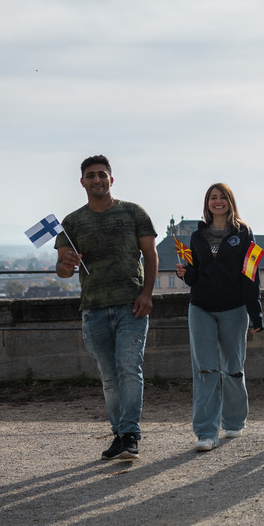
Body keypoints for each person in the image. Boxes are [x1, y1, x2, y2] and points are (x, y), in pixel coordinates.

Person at [55, 155, 157, 460]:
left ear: (111, 179)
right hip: (94, 308)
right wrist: (67, 264)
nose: (97, 180)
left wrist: (147, 294)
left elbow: (151, 256)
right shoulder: (72, 223)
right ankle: (119, 433)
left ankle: (130, 434)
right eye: (91, 175)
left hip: (131, 305)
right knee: (110, 376)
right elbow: (61, 270)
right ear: (82, 182)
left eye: (102, 174)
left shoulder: (134, 212)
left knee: (129, 368)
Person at [175, 183, 264, 452]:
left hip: (234, 308)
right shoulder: (196, 236)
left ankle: (234, 420)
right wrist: (184, 274)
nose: (218, 202)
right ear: (207, 204)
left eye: (222, 197)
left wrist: (255, 312)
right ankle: (206, 433)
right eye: (213, 198)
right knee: (205, 370)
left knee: (233, 368)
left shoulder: (244, 233)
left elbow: (251, 275)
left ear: (230, 201)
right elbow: (194, 275)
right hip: (200, 307)